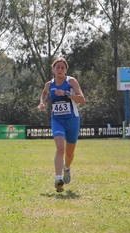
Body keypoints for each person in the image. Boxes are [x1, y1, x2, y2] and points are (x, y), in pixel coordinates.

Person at [37, 57, 85, 193]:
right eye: (57, 67)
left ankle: (67, 169)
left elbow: (82, 100)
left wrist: (66, 93)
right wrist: (42, 102)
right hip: (57, 120)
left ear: (66, 70)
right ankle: (58, 179)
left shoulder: (71, 82)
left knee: (69, 154)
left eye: (62, 68)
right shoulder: (49, 84)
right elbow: (45, 93)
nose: (60, 70)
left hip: (72, 120)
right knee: (60, 148)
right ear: (53, 69)